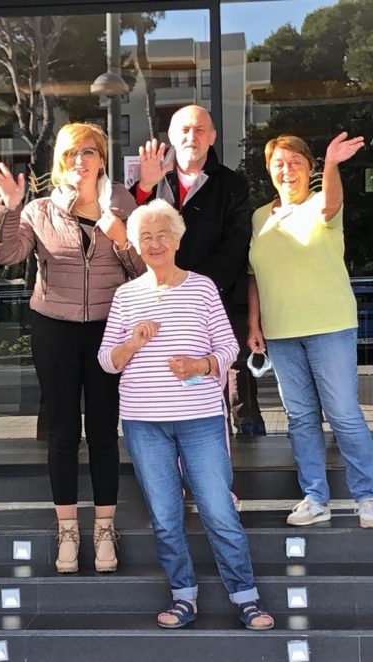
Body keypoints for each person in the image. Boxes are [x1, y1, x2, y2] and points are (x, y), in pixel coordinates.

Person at [98, 199, 274, 631]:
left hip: (200, 419)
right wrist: (133, 344)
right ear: (137, 246)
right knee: (164, 514)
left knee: (217, 508)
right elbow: (106, 360)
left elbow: (228, 347)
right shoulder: (125, 295)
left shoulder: (202, 288)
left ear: (177, 239)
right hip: (144, 423)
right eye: (146, 237)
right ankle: (182, 596)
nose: (155, 243)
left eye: (162, 234)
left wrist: (201, 366)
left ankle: (246, 597)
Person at [0, 122, 145, 574]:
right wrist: (9, 210)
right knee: (61, 432)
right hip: (53, 328)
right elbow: (5, 255)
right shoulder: (38, 211)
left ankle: (105, 530)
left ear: (101, 160)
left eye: (90, 152)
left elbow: (140, 271)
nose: (81, 161)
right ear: (61, 161)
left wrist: (120, 237)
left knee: (101, 432)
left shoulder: (123, 207)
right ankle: (68, 531)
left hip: (107, 331)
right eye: (73, 153)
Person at [247, 132, 373, 529]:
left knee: (343, 415)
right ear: (269, 170)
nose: (286, 170)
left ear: (309, 168)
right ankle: (315, 497)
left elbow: (332, 203)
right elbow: (255, 276)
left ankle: (366, 497)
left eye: (295, 162)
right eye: (278, 164)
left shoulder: (321, 203)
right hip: (282, 332)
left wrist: (333, 164)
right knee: (301, 419)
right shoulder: (259, 217)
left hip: (329, 326)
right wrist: (255, 325)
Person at [133, 104, 265, 437]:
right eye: (185, 130)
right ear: (172, 137)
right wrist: (143, 189)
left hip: (219, 301)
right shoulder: (151, 182)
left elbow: (236, 246)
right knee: (181, 381)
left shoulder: (233, 185)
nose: (192, 136)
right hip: (162, 303)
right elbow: (134, 232)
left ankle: (249, 465)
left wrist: (193, 288)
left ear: (213, 137)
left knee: (236, 387)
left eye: (200, 129)